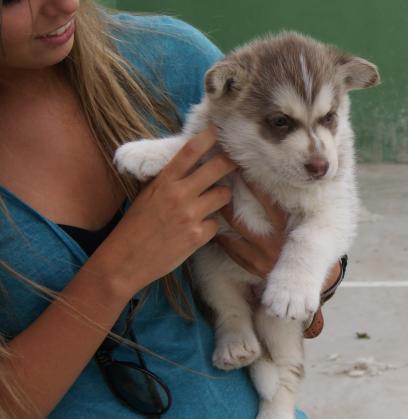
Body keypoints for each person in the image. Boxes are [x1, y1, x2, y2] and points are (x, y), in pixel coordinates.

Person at [0, 0, 344, 417]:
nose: (66, 4)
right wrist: (120, 269)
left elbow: (314, 228)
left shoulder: (171, 56)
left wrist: (310, 277)